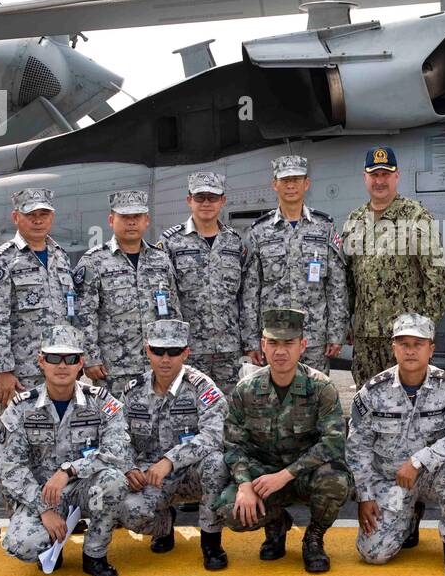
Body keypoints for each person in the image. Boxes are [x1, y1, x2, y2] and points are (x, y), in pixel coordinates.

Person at [214, 308, 351, 573]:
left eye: (288, 343)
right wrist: (244, 484)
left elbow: (334, 442)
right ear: (263, 346)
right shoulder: (247, 389)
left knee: (336, 480)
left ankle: (313, 538)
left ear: (302, 345)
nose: (280, 351)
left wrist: (287, 474)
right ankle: (275, 521)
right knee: (228, 509)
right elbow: (233, 444)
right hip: (263, 476)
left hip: (303, 475)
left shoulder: (320, 387)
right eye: (273, 343)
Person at [0, 325, 131, 576]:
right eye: (53, 358)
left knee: (113, 480)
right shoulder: (20, 408)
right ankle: (50, 545)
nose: (62, 365)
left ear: (81, 363)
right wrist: (44, 508)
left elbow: (117, 451)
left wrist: (70, 470)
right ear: (41, 362)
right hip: (42, 492)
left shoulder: (101, 401)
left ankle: (94, 554)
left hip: (85, 487)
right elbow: (11, 469)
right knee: (23, 545)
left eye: (70, 359)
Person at [346, 313, 445, 576]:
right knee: (373, 554)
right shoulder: (373, 392)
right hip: (392, 479)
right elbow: (357, 446)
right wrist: (366, 495)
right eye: (403, 344)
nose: (410, 351)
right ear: (393, 348)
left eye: (418, 344)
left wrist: (419, 461)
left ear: (431, 349)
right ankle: (409, 515)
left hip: (431, 475)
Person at [117, 319, 230, 570]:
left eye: (173, 352)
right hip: (149, 476)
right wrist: (128, 468)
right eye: (158, 351)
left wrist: (170, 461)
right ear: (147, 350)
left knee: (216, 464)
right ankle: (163, 524)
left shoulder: (202, 388)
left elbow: (214, 435)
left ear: (186, 353)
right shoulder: (132, 391)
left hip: (191, 474)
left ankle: (211, 541)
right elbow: (116, 436)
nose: (165, 359)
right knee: (128, 511)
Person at [342, 146, 445, 387]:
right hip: (365, 338)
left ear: (396, 176)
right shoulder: (355, 220)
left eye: (385, 174)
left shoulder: (416, 216)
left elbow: (438, 279)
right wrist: (346, 322)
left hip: (405, 339)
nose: (380, 181)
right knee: (368, 405)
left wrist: (422, 331)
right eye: (374, 175)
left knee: (408, 406)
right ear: (365, 178)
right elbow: (348, 280)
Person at [241, 155, 347, 373]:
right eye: (285, 180)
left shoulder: (324, 228)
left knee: (314, 396)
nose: (290, 185)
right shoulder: (259, 231)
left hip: (313, 336)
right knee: (274, 400)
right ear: (275, 184)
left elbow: (336, 285)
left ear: (306, 184)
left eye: (296, 180)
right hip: (274, 338)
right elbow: (251, 290)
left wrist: (336, 333)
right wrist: (252, 339)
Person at [73, 190, 178, 396]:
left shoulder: (161, 260)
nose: (131, 222)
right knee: (114, 425)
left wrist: (175, 353)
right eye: (125, 217)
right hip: (113, 369)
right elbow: (84, 315)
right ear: (111, 220)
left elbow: (173, 310)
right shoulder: (94, 261)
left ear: (146, 220)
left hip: (158, 364)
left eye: (137, 217)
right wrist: (91, 357)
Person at [0, 188, 77, 407]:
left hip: (62, 369)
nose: (37, 220)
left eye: (43, 214)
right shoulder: (1, 260)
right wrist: (3, 370)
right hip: (24, 374)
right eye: (30, 215)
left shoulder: (60, 256)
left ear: (51, 217)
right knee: (23, 435)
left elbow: (70, 312)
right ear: (16, 217)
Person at [158, 171, 247, 395]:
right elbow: (165, 297)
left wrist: (248, 340)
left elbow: (245, 295)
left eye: (212, 197)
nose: (206, 203)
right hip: (189, 348)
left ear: (222, 201)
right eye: (200, 198)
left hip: (228, 348)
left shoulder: (234, 242)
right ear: (189, 200)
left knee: (227, 412)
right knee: (188, 409)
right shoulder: (171, 242)